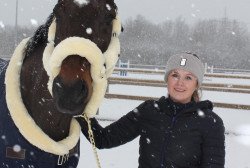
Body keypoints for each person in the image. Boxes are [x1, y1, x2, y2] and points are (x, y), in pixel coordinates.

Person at [77, 52, 225, 168]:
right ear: (167, 79)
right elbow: (103, 139)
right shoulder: (149, 111)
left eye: (188, 77)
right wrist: (78, 106)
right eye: (175, 75)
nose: (180, 83)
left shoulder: (210, 123)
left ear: (197, 84)